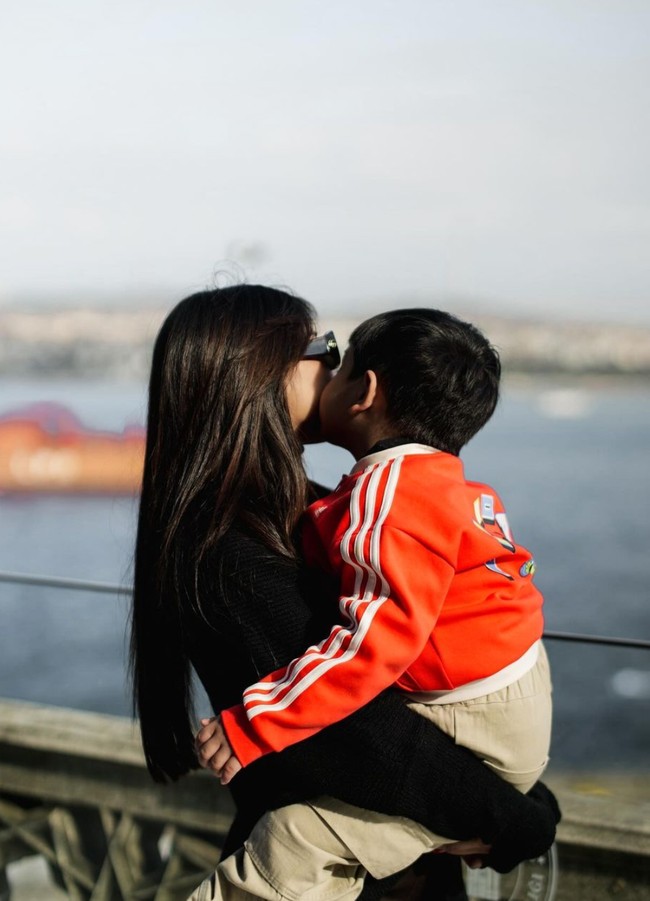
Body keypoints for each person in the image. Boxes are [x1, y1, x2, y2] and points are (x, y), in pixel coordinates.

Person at [130, 286, 560, 901]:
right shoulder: (228, 554)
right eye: (319, 347)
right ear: (257, 372)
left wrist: (512, 797)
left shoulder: (301, 509)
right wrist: (516, 818)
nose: (332, 365)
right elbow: (365, 738)